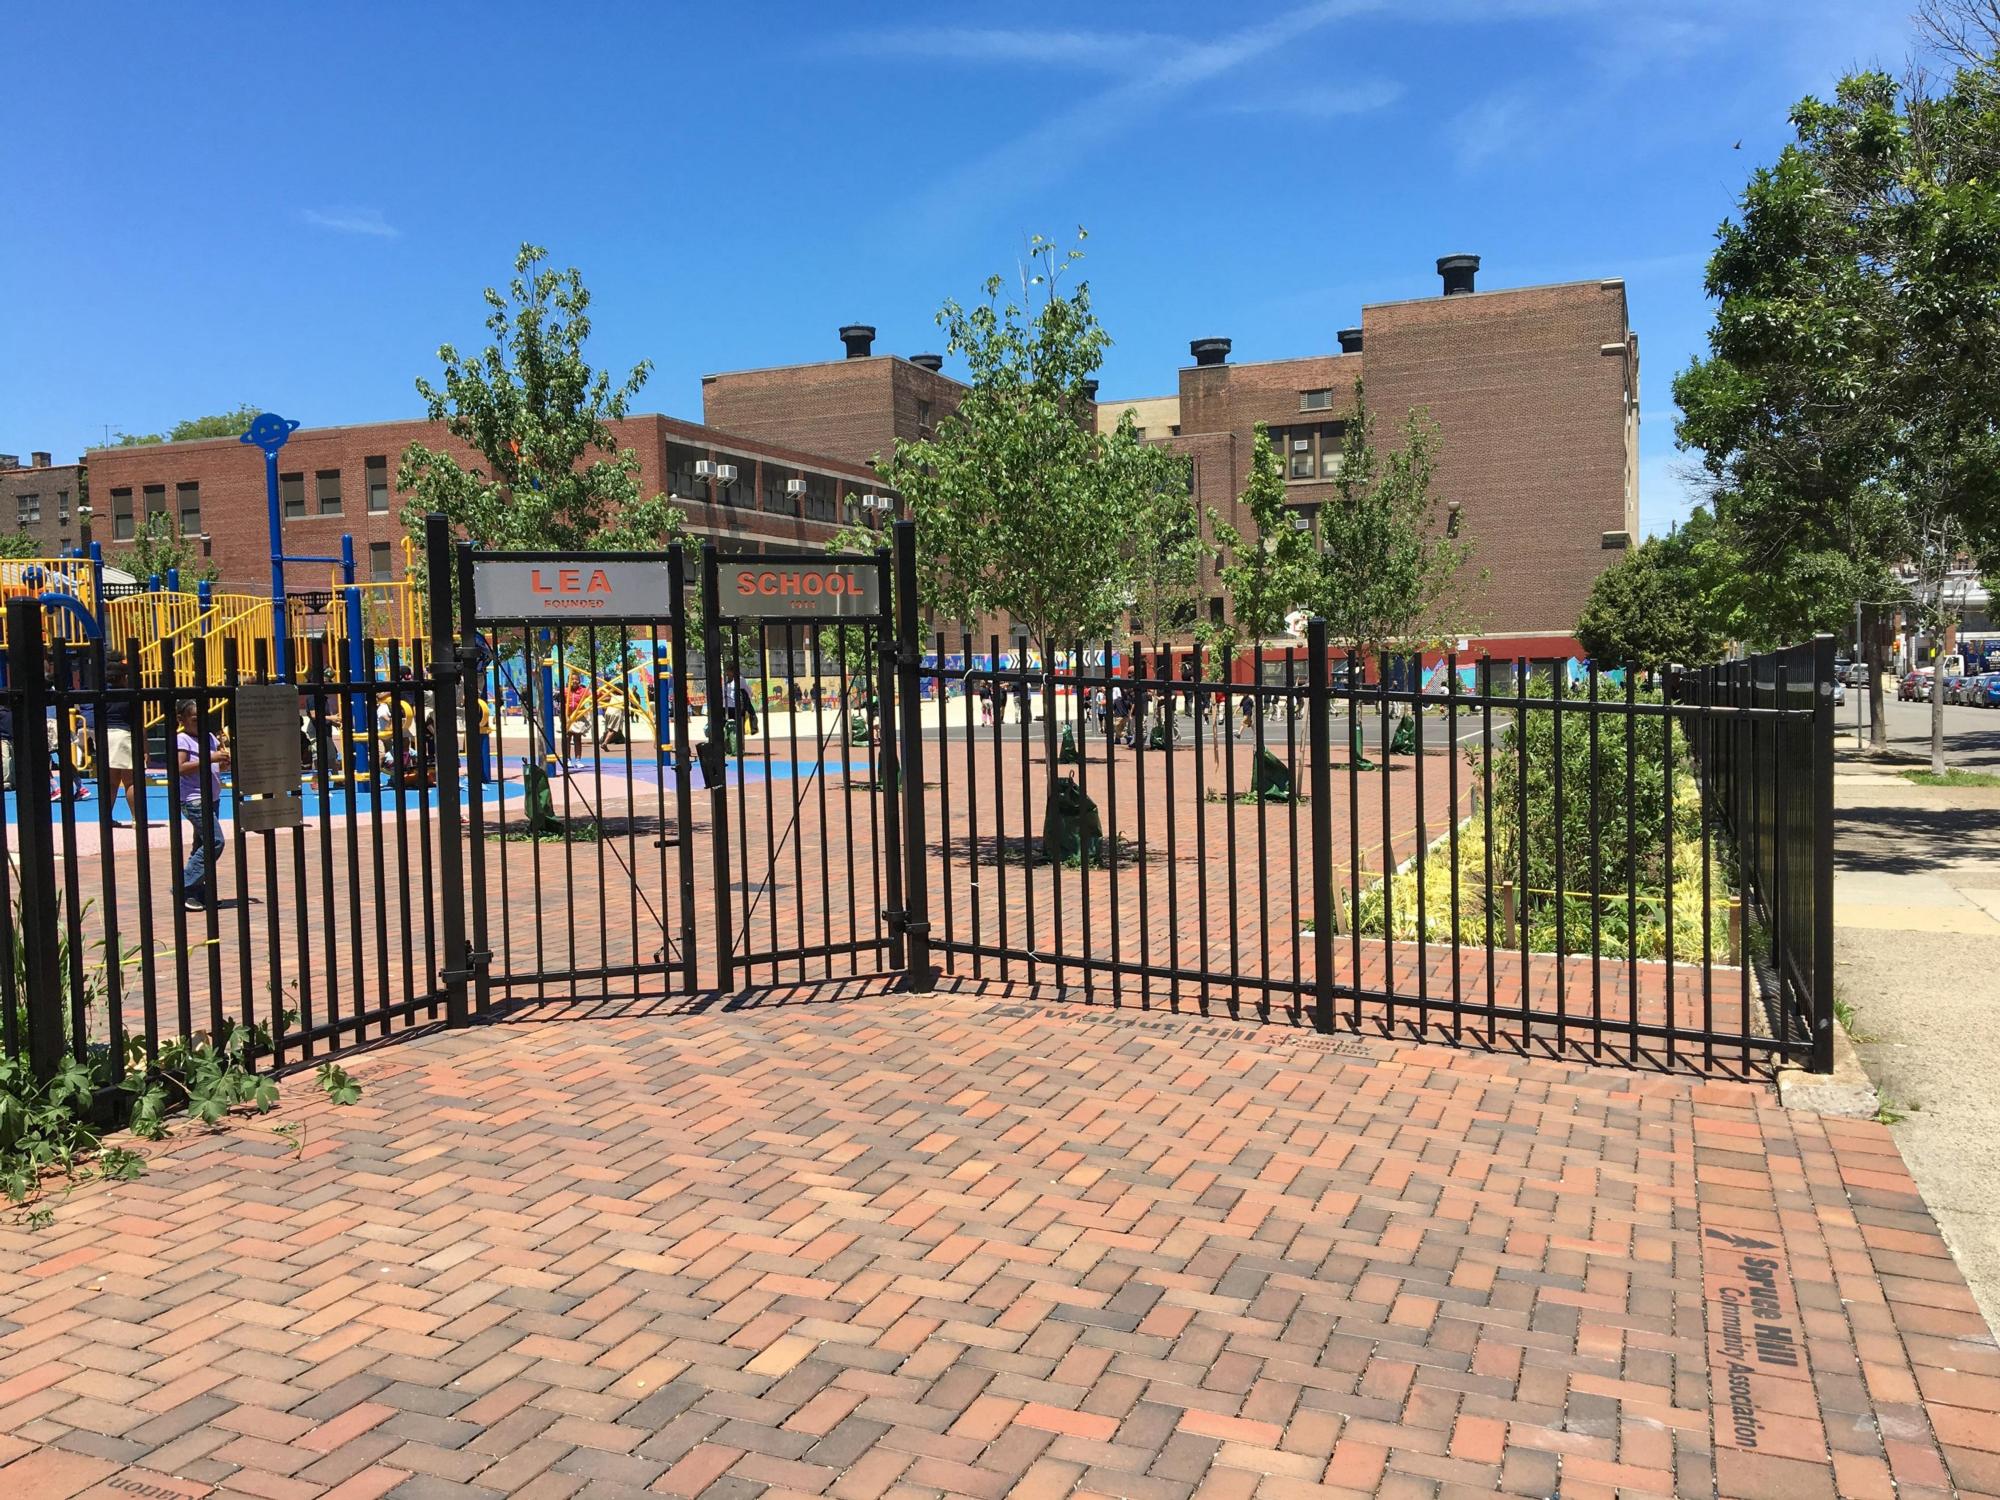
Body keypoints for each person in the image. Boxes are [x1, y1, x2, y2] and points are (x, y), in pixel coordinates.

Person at [175, 698, 229, 912]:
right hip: (194, 799)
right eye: (195, 720)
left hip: (212, 796)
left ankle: (196, 891)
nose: (200, 723)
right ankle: (185, 885)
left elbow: (215, 765)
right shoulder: (182, 739)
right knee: (215, 841)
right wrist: (211, 758)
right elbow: (179, 767)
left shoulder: (209, 737)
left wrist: (222, 762)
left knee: (201, 845)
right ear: (182, 720)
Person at [97, 656, 140, 828]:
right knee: (130, 781)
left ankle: (106, 818)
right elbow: (137, 723)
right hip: (124, 735)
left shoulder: (103, 695)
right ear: (123, 677)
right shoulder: (129, 695)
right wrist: (144, 747)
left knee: (111, 782)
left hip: (106, 736)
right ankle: (137, 818)